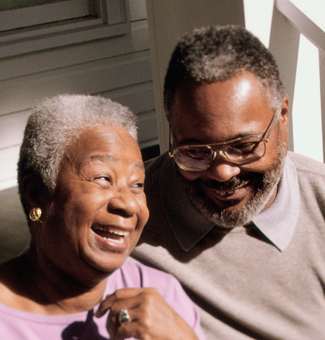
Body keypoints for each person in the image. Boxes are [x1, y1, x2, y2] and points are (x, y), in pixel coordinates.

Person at [130, 25, 325, 339]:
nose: (223, 172)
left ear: (283, 116)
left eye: (244, 147)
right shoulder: (124, 212)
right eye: (195, 151)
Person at [1, 95, 203, 339]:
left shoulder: (160, 296)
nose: (129, 204)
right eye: (102, 179)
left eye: (137, 184)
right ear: (35, 194)